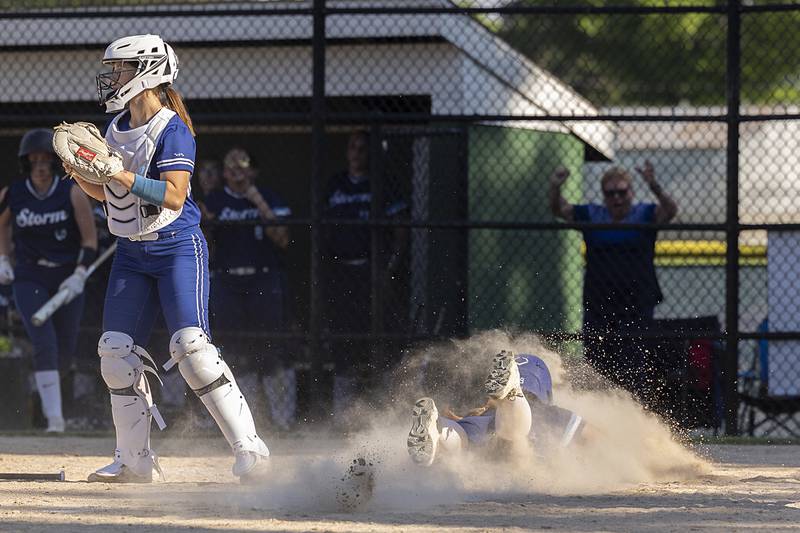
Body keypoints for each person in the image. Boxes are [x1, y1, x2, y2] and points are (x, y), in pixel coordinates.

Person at [63, 34, 269, 483]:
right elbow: (110, 197)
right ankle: (134, 462)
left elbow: (173, 196)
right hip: (131, 252)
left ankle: (251, 450)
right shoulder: (117, 127)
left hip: (176, 245)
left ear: (147, 72)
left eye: (119, 70)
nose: (112, 78)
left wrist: (116, 171)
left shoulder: (172, 127)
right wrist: (84, 175)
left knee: (191, 349)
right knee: (114, 353)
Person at [548, 163, 678, 399]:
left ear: (631, 192)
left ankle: (633, 412)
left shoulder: (645, 214)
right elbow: (560, 210)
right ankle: (597, 414)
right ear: (604, 196)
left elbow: (670, 210)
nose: (617, 198)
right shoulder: (593, 215)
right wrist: (555, 186)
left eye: (622, 192)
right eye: (611, 193)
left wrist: (654, 185)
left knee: (633, 364)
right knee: (597, 362)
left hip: (636, 305)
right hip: (600, 304)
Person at [0, 128, 98, 433]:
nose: (40, 165)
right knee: (44, 341)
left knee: (65, 348)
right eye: (35, 159)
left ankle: (47, 403)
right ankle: (54, 419)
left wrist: (80, 273)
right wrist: (3, 258)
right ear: (26, 162)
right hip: (29, 275)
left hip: (67, 275)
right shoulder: (12, 193)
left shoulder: (71, 191)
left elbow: (90, 239)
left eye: (46, 160)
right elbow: (1, 228)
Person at [203, 147, 295, 430]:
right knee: (233, 351)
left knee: (270, 349)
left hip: (263, 279)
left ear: (253, 171)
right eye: (231, 167)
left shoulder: (267, 197)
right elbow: (204, 239)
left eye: (243, 167)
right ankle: (245, 420)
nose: (237, 173)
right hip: (227, 281)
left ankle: (283, 421)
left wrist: (255, 199)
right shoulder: (215, 200)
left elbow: (282, 239)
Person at [323, 131, 408, 412]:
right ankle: (343, 413)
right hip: (340, 271)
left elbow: (399, 231)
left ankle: (384, 410)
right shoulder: (334, 184)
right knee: (342, 338)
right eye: (353, 147)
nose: (357, 153)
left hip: (372, 271)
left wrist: (390, 266)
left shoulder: (382, 183)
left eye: (363, 148)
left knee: (377, 336)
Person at [406, 351, 586, 466]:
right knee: (513, 436)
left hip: (486, 427)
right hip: (515, 427)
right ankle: (512, 395)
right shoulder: (550, 414)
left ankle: (438, 432)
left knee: (461, 438)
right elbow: (600, 442)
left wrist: (456, 421)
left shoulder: (484, 413)